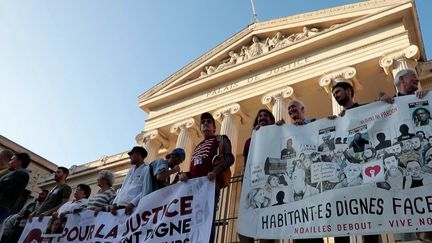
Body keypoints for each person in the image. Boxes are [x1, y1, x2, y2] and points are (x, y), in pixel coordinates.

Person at [179, 112, 234, 243]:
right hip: (194, 190)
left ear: (214, 127)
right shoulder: (197, 147)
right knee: (192, 221)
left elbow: (229, 158)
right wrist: (185, 175)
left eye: (209, 122)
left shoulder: (220, 139)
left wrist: (215, 171)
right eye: (203, 122)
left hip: (210, 187)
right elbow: (194, 170)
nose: (205, 124)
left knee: (207, 220)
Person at [240, 109, 277, 243]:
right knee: (244, 226)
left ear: (271, 120)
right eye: (260, 116)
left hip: (270, 184)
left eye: (266, 116)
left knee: (267, 226)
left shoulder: (277, 134)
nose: (262, 118)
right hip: (252, 184)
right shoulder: (249, 141)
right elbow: (245, 164)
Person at [111, 146, 147, 216]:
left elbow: (146, 189)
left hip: (133, 208)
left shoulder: (147, 169)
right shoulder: (130, 170)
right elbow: (123, 187)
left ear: (138, 154)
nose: (130, 157)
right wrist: (114, 203)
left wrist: (132, 203)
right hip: (119, 207)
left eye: (131, 154)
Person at [0, 153, 30, 223]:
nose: (9, 162)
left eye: (12, 159)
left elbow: (3, 185)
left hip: (2, 205)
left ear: (19, 162)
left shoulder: (21, 174)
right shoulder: (15, 172)